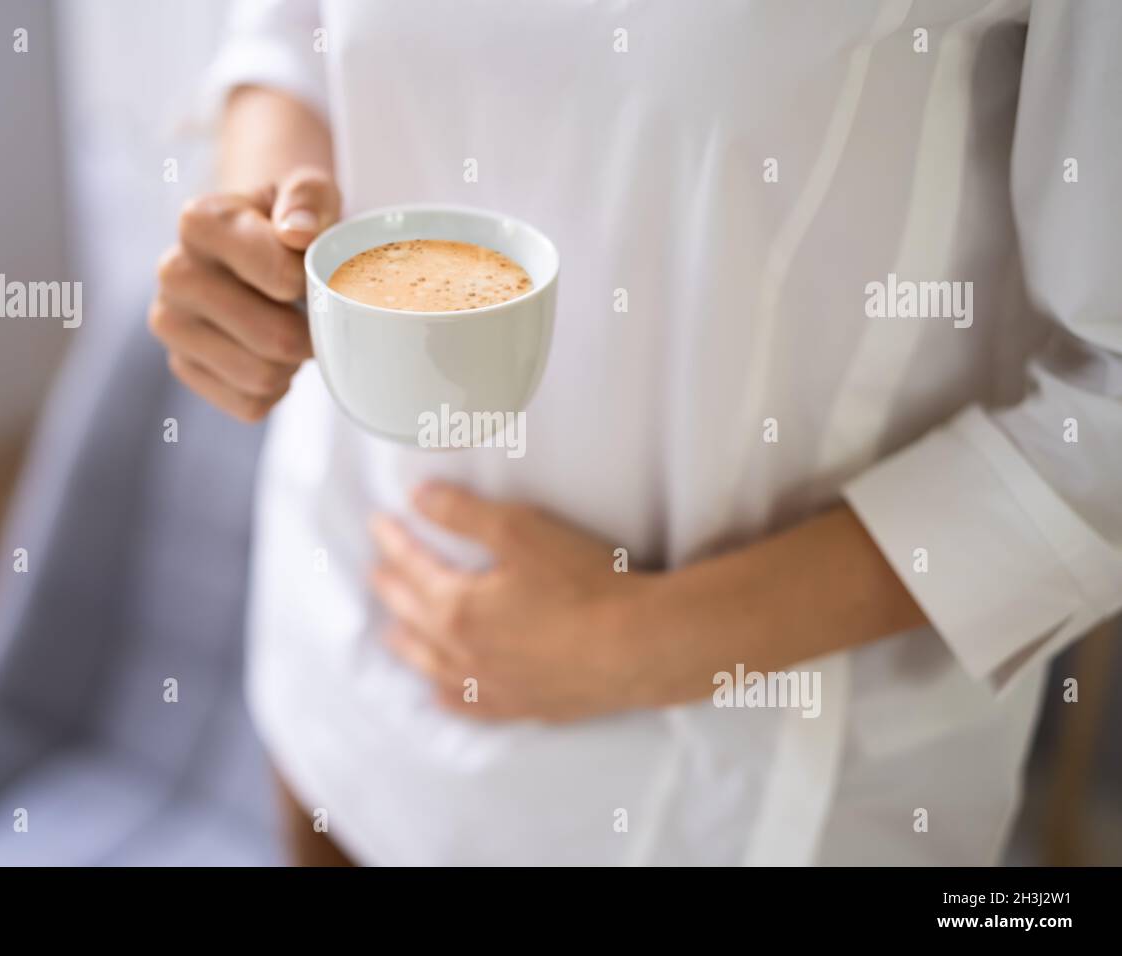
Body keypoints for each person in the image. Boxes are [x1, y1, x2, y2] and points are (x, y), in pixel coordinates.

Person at [148, 0, 1122, 866]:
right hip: (354, 634)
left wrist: (644, 640)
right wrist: (259, 232)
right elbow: (286, 31)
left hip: (735, 771)